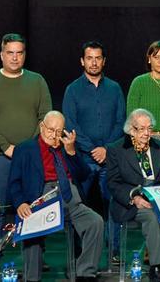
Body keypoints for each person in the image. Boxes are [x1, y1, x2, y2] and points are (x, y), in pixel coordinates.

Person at [0, 33, 52, 256]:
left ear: (24, 55)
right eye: (10, 53)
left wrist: (28, 147)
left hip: (31, 154)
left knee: (33, 205)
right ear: (2, 55)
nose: (15, 58)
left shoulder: (36, 81)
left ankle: (35, 255)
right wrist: (5, 146)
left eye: (19, 53)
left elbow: (45, 115)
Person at [9, 111, 104, 282]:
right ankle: (32, 278)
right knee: (30, 228)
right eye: (51, 130)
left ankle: (85, 273)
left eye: (59, 131)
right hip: (41, 199)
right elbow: (14, 183)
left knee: (95, 222)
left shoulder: (68, 147)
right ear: (41, 127)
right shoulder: (25, 149)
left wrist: (72, 153)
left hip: (70, 197)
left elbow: (84, 175)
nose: (54, 136)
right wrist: (20, 203)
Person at [106, 109, 160, 282]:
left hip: (158, 197)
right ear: (131, 130)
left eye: (149, 128)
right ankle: (156, 266)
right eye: (141, 129)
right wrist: (134, 198)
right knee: (152, 217)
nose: (146, 133)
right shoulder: (116, 149)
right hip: (131, 201)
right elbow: (113, 183)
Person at [62, 41, 125, 209]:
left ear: (104, 60)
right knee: (79, 205)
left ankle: (113, 237)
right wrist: (92, 149)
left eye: (98, 58)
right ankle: (81, 237)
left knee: (113, 206)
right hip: (83, 158)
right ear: (82, 61)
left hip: (110, 157)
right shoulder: (72, 90)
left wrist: (106, 148)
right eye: (89, 58)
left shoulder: (114, 88)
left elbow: (121, 122)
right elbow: (69, 123)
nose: (94, 62)